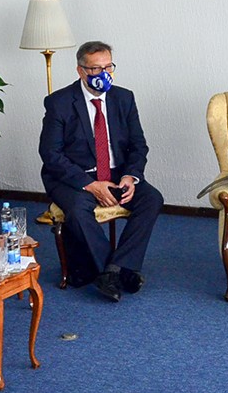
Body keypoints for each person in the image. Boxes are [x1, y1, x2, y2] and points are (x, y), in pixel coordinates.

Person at [39, 41, 164, 302]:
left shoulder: (124, 98)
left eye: (108, 67)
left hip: (117, 172)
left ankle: (113, 269)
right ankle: (119, 270)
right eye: (96, 69)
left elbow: (138, 145)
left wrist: (130, 176)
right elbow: (51, 155)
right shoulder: (59, 102)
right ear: (81, 70)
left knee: (152, 198)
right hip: (73, 176)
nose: (104, 74)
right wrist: (90, 184)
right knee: (78, 209)